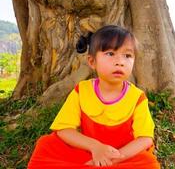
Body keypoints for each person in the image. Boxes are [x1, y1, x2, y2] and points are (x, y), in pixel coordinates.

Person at [28, 25, 160, 169]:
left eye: (127, 55)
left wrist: (112, 159)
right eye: (110, 54)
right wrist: (96, 147)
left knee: (147, 163)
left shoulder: (137, 97)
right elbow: (64, 129)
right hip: (89, 150)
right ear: (92, 62)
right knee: (46, 145)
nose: (120, 61)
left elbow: (145, 139)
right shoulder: (82, 90)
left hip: (122, 156)